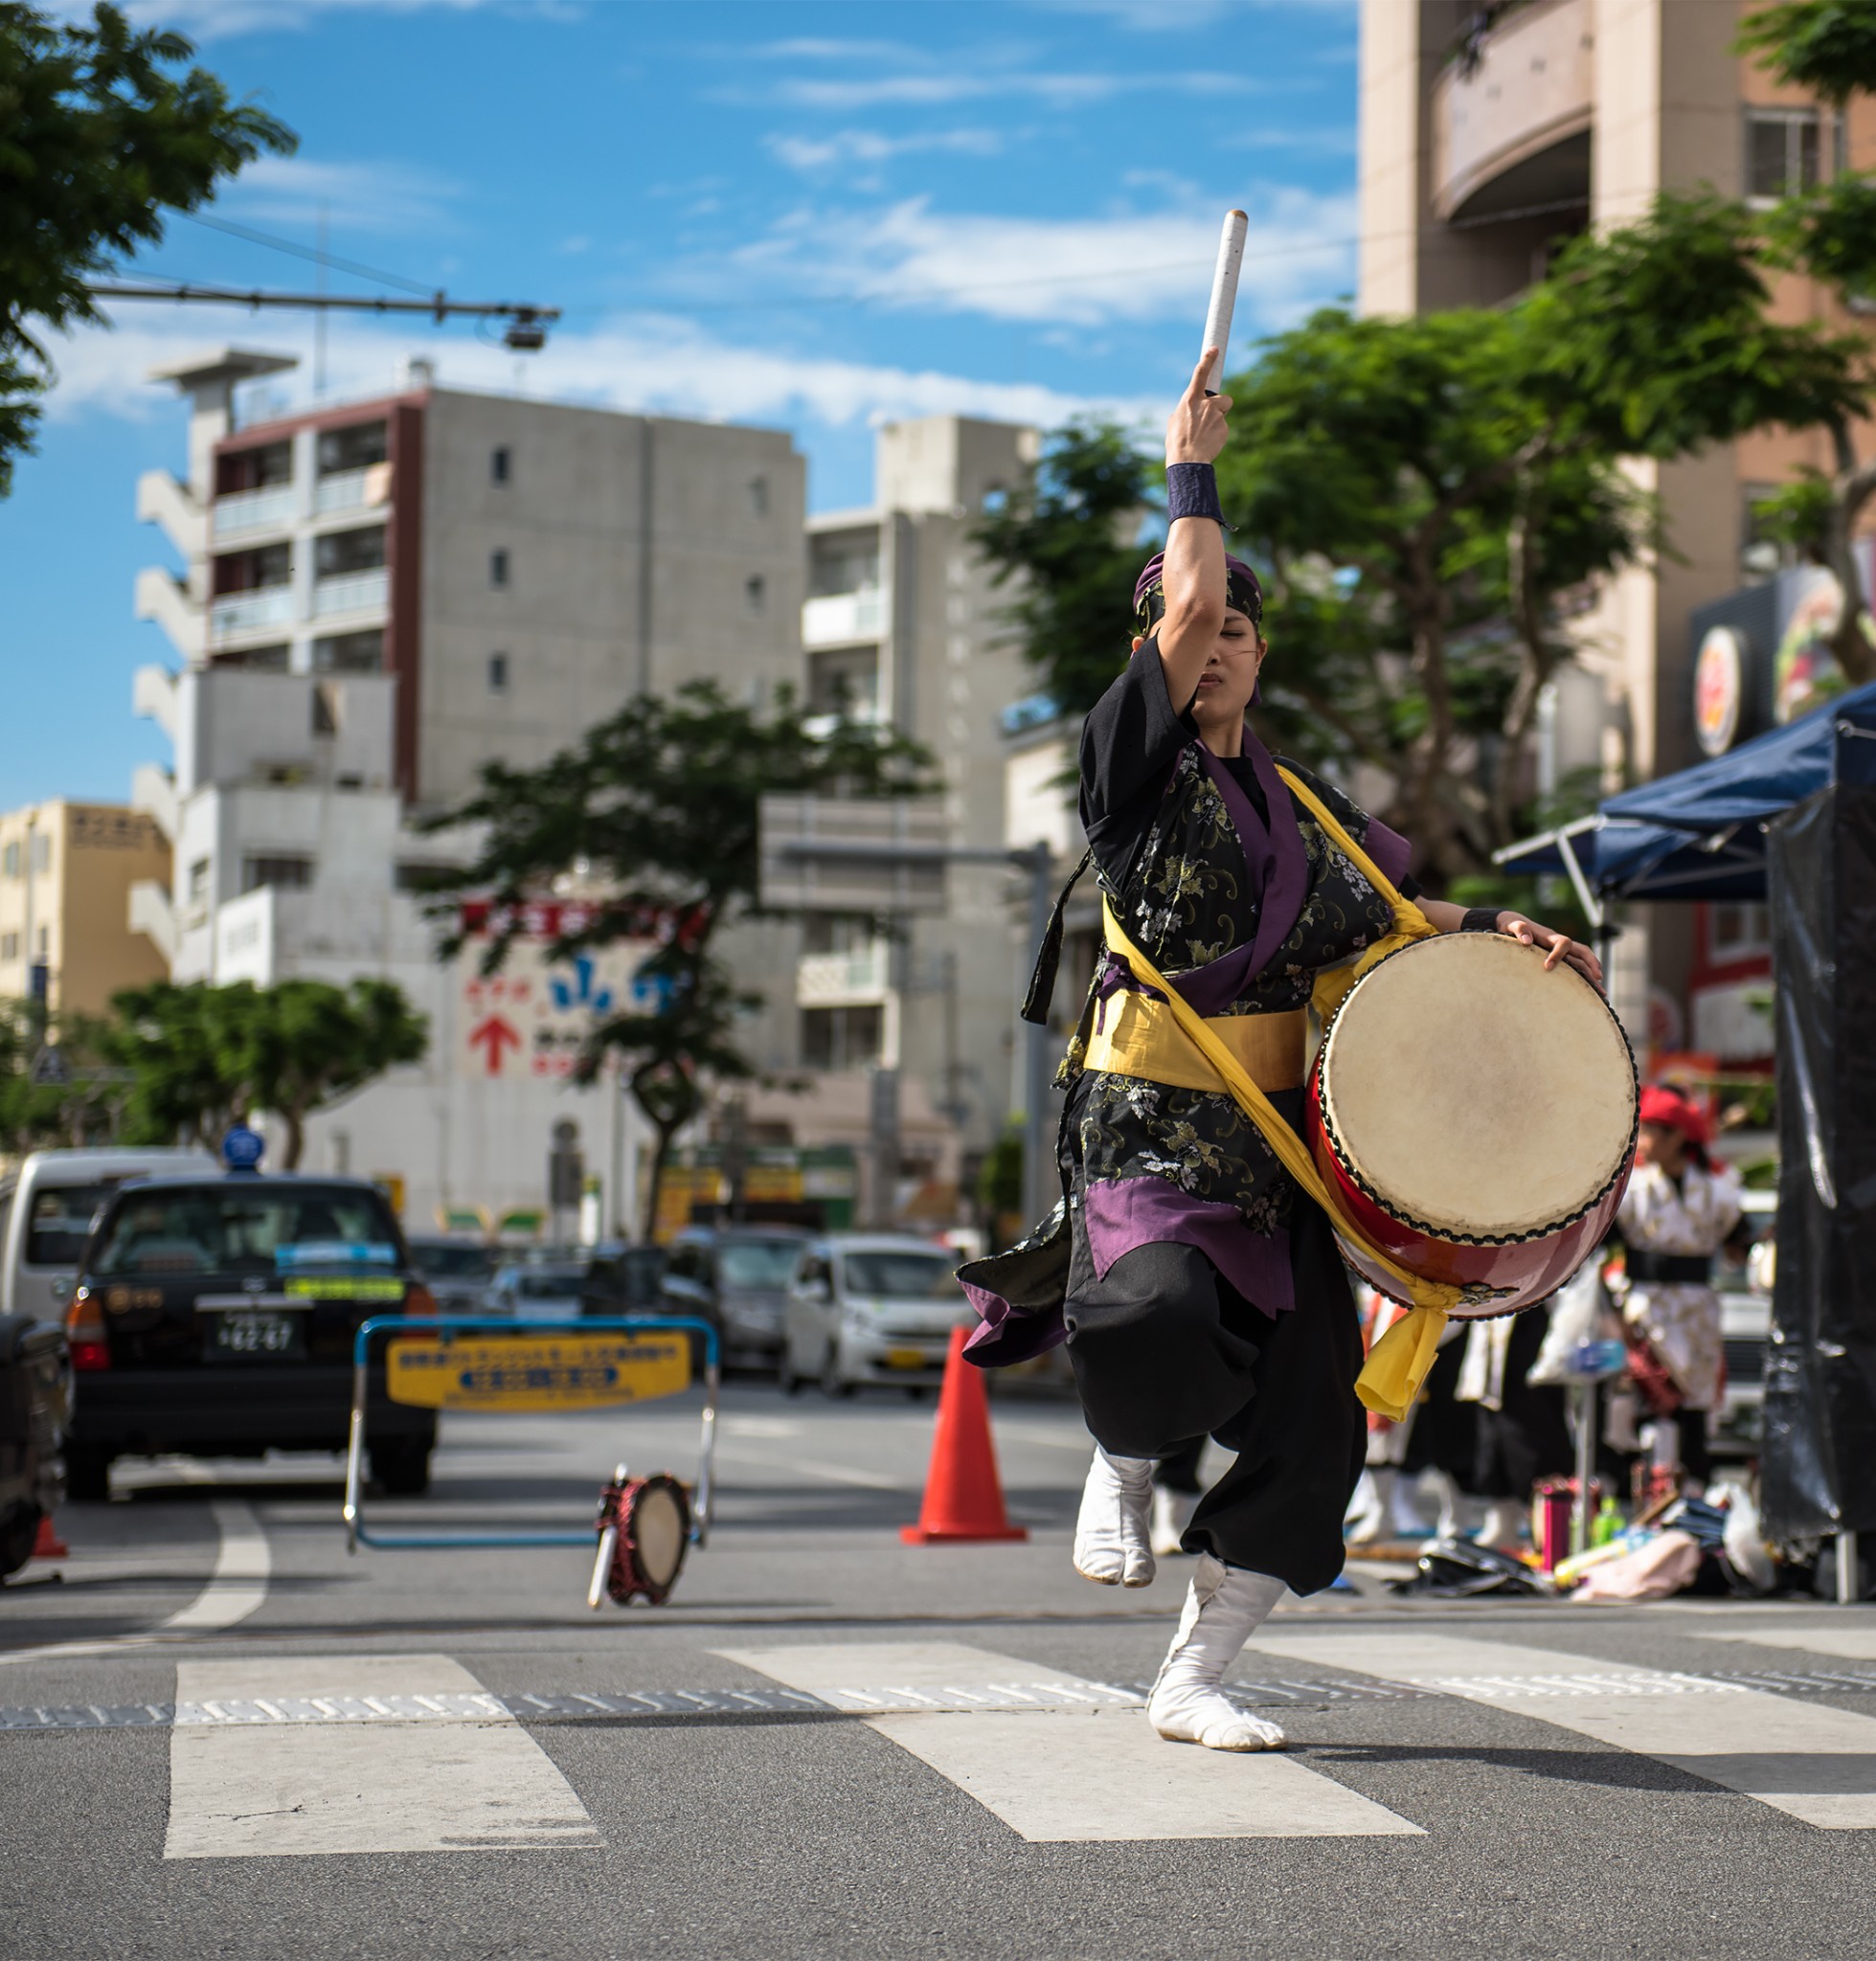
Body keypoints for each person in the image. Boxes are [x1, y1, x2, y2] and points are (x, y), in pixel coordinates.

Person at [959, 351, 1599, 1755]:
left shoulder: (1297, 800)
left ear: (1261, 651)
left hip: (1274, 1147)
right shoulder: (1128, 763)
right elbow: (1183, 593)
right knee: (1154, 1316)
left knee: (1316, 1431)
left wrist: (1507, 928)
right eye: (1191, 629)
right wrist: (1189, 464)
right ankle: (1123, 1453)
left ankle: (1193, 1676)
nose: (1214, 640)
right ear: (1158, 651)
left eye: (1236, 629)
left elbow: (1386, 919)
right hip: (1143, 1129)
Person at [1615, 1085, 1746, 1493]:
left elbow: (1739, 1244)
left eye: (1654, 1132)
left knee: (1693, 1406)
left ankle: (1693, 1497)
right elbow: (1601, 1250)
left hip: (1696, 1311)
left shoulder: (1716, 1192)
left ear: (1679, 1138)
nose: (1646, 1142)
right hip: (1644, 1310)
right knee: (1650, 1403)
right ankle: (1647, 1491)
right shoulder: (1629, 1189)